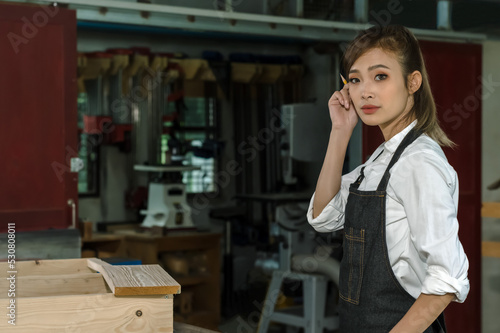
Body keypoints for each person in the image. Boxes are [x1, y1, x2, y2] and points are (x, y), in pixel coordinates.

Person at [307, 25, 469, 333]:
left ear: (413, 82)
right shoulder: (380, 160)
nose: (365, 91)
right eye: (355, 80)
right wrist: (340, 132)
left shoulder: (418, 162)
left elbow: (449, 277)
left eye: (380, 76)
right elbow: (323, 217)